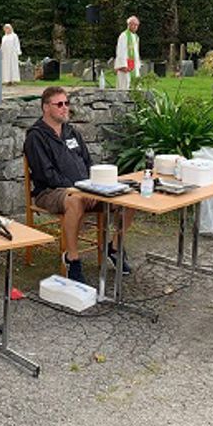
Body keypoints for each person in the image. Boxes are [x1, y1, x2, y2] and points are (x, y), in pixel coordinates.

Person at [23, 86, 134, 284]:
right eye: (59, 104)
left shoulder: (72, 132)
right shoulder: (36, 137)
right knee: (76, 201)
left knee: (128, 197)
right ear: (45, 107)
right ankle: (72, 258)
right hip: (51, 192)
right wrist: (80, 189)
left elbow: (88, 163)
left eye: (66, 103)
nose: (65, 108)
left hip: (85, 189)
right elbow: (46, 175)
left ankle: (114, 247)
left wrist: (94, 186)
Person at [114, 16, 140, 90]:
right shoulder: (124, 35)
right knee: (124, 86)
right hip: (125, 66)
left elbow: (136, 52)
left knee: (135, 86)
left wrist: (137, 64)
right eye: (133, 24)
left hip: (133, 66)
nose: (135, 27)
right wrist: (123, 65)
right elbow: (120, 51)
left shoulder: (136, 37)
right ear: (129, 25)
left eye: (137, 25)